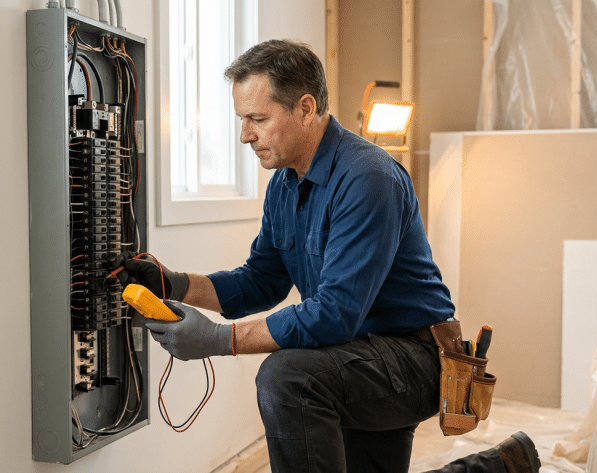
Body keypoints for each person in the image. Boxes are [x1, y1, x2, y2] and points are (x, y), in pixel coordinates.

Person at [115, 39, 541, 473]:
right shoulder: (285, 185)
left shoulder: (368, 177)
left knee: (288, 376)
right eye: (243, 119)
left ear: (305, 107)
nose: (245, 134)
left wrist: (221, 341)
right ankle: (502, 466)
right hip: (352, 355)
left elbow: (334, 313)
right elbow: (260, 281)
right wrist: (175, 284)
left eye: (257, 119)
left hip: (413, 360)